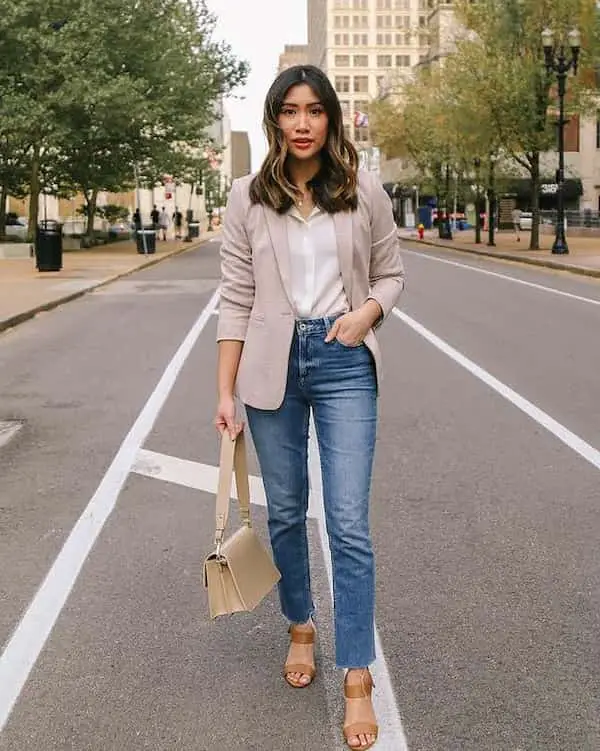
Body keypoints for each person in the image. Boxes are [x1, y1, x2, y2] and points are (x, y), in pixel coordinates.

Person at [214, 65, 405, 750]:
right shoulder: (246, 196)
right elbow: (235, 294)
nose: (302, 123)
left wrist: (367, 315)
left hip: (343, 356)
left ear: (330, 120)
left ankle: (357, 673)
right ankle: (301, 624)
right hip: (272, 365)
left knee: (348, 521)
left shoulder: (364, 191)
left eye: (315, 110)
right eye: (290, 111)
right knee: (288, 511)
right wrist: (224, 391)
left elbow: (391, 270)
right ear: (275, 120)